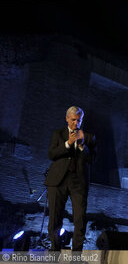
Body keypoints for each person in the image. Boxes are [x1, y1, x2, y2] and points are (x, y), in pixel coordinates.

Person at [45, 106, 96, 253]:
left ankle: (77, 253)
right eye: (73, 119)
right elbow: (52, 154)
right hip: (58, 180)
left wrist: (82, 146)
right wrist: (67, 143)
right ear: (67, 118)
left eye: (79, 120)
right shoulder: (58, 134)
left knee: (80, 217)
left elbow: (93, 159)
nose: (76, 123)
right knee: (55, 216)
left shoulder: (89, 137)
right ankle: (55, 249)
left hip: (78, 181)